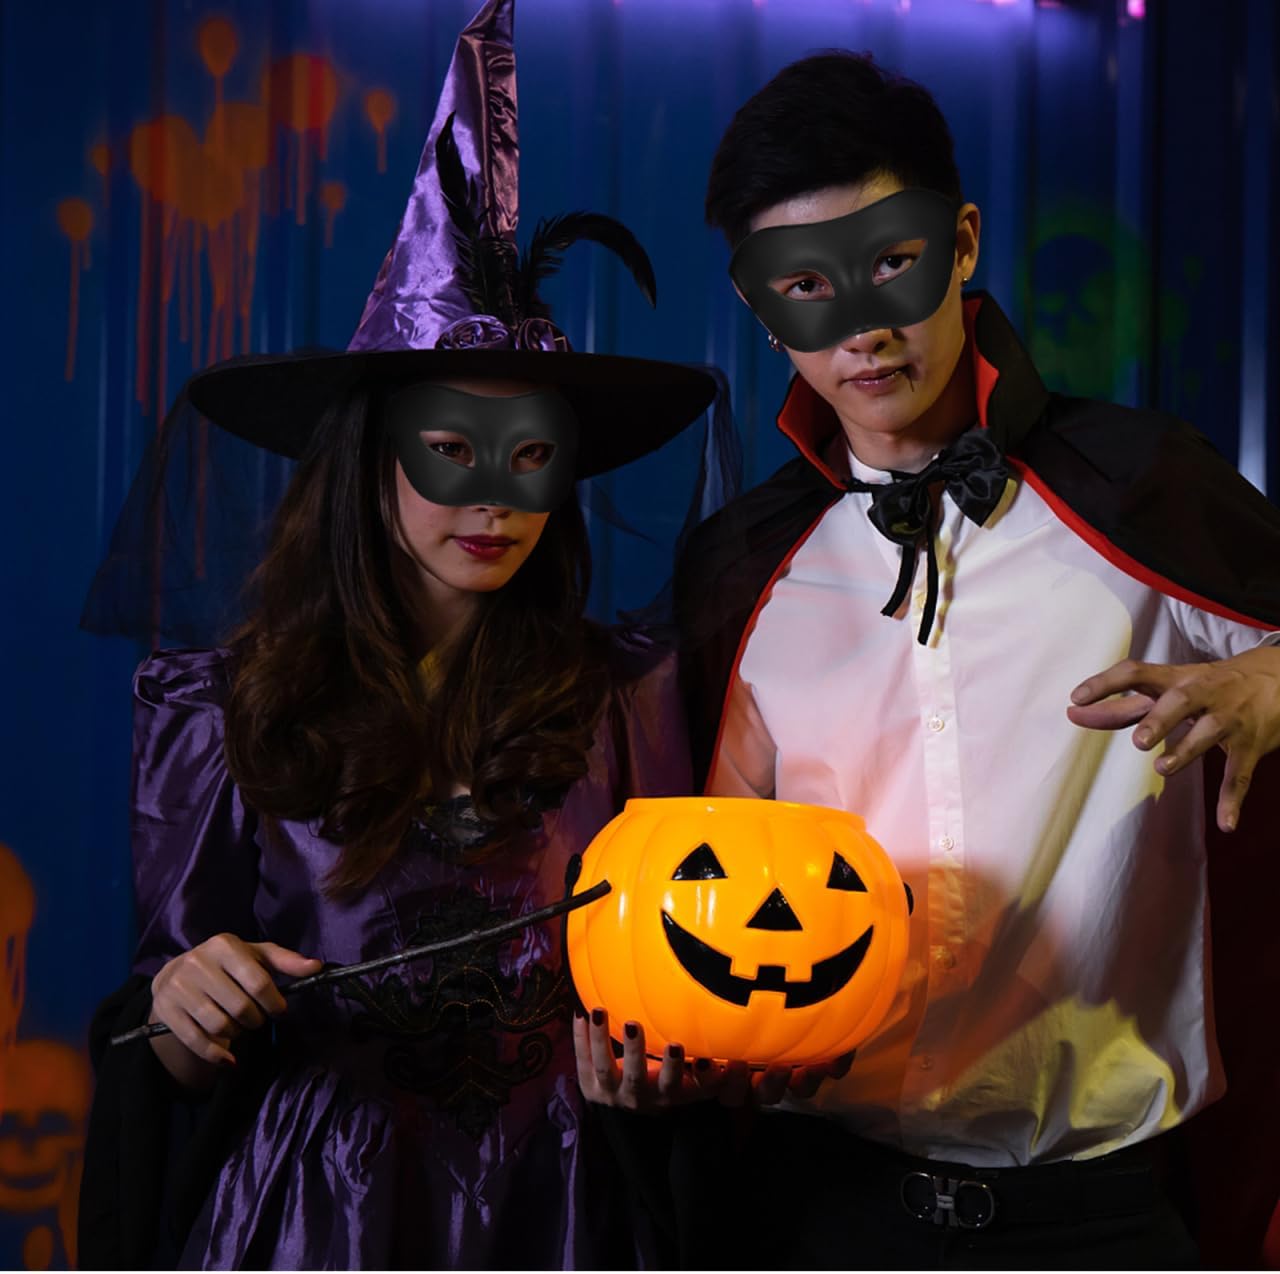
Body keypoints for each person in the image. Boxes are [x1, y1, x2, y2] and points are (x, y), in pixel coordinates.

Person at [578, 50, 1280, 1270]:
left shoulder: (1143, 492)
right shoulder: (743, 570)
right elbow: (701, 869)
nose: (860, 328)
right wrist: (661, 1053)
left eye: (889, 264)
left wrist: (1270, 679)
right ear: (761, 309)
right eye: (806, 286)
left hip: (1103, 1220)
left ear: (959, 244)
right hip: (816, 1212)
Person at [76, 1, 721, 1267]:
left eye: (530, 459)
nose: (493, 501)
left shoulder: (618, 697)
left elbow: (676, 958)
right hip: (316, 1211)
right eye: (449, 451)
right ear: (368, 465)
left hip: (558, 1207)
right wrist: (183, 1004)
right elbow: (170, 1035)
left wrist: (663, 1066)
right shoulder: (225, 708)